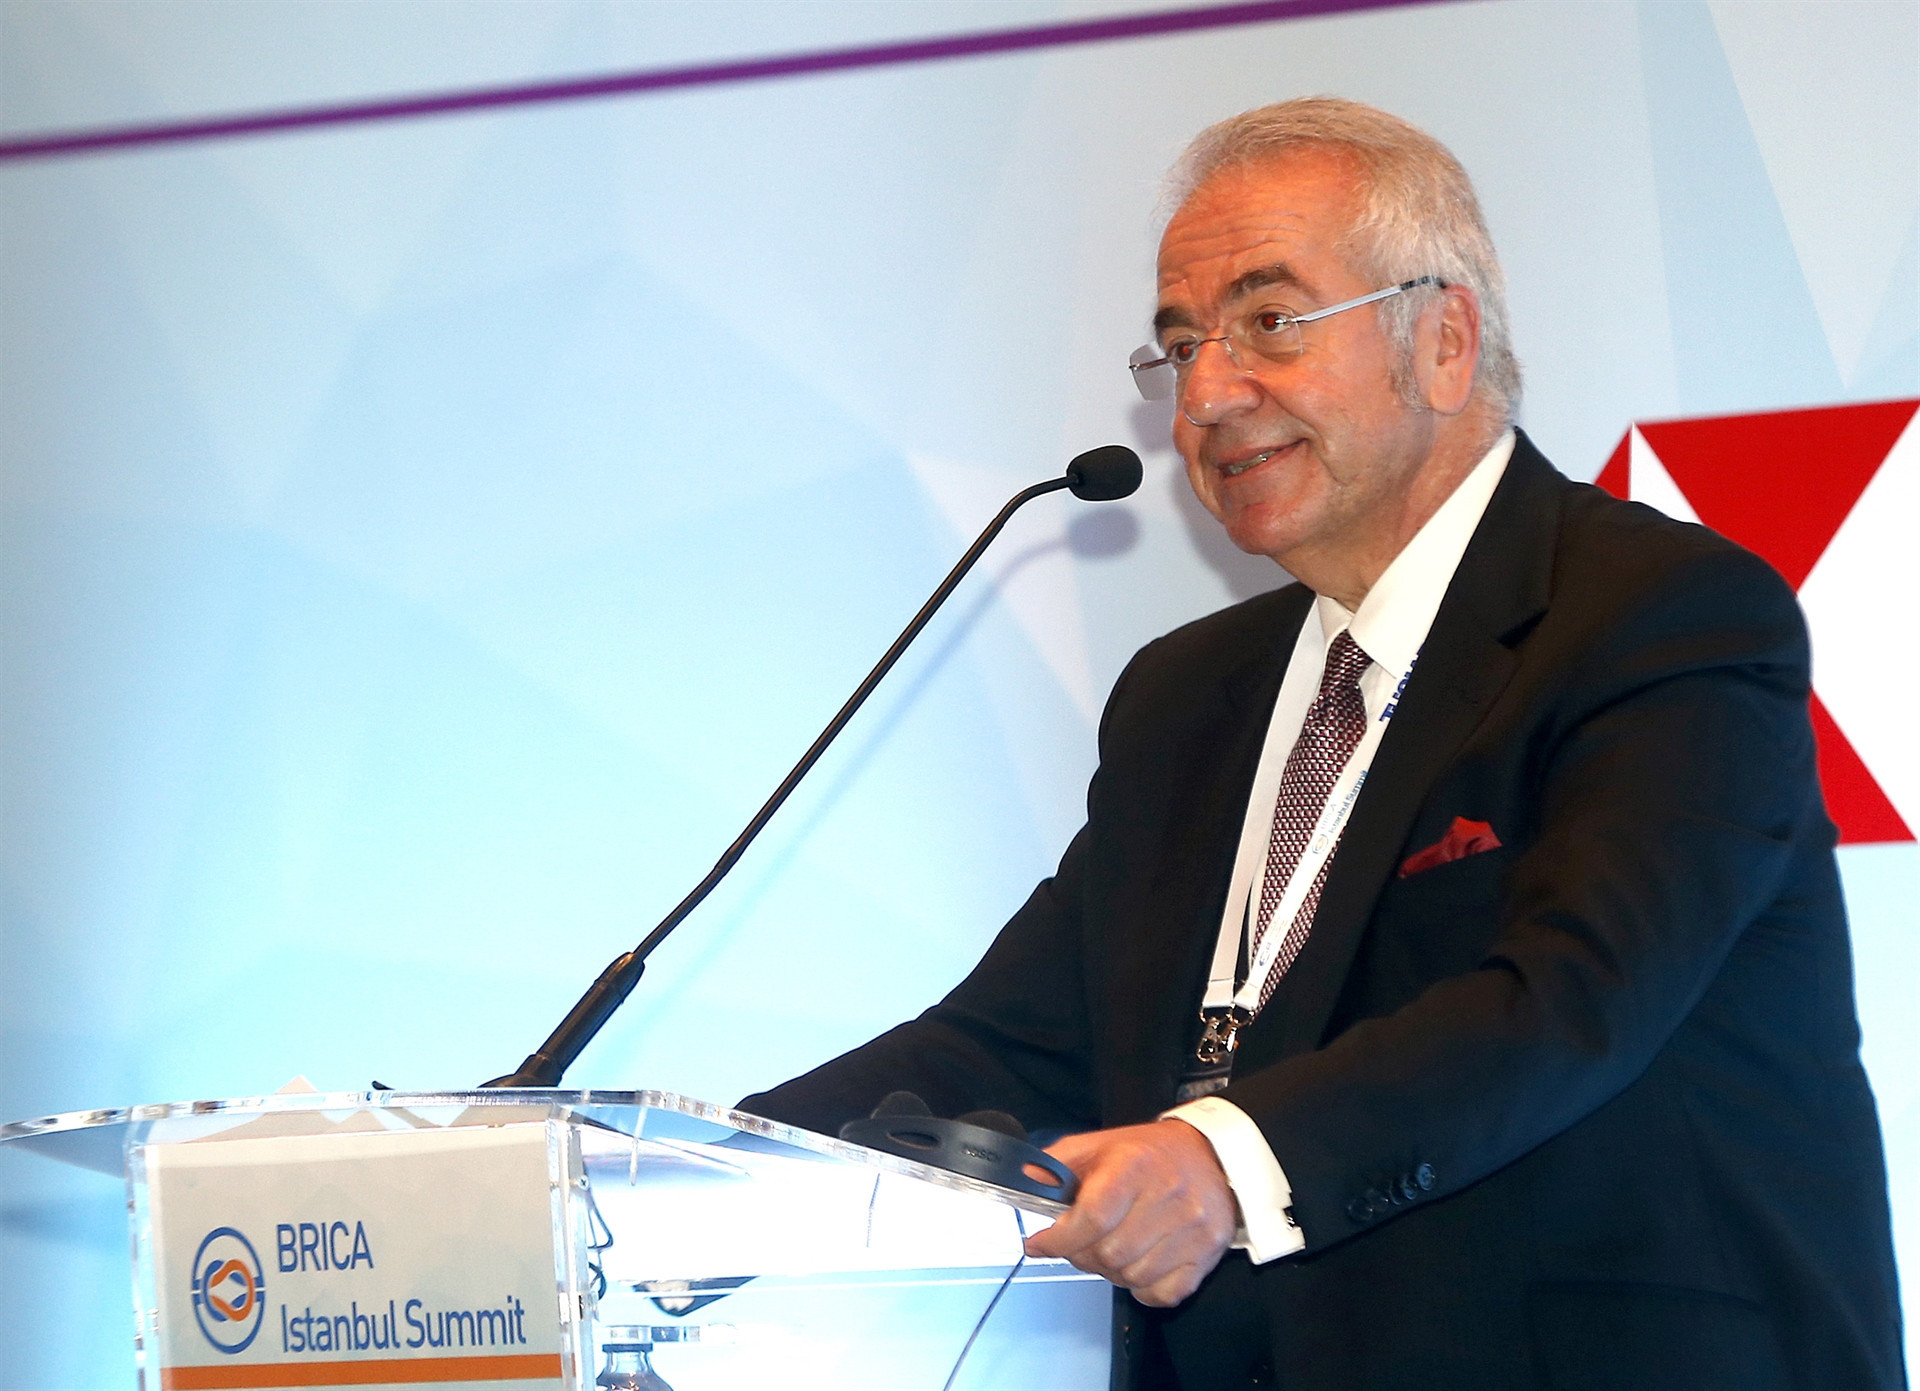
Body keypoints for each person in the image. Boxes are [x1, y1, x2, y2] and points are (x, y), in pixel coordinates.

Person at [738, 98, 1904, 1390]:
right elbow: (1011, 1040)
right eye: (1181, 345)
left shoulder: (1657, 616)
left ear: (1444, 340)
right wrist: (702, 1170)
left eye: (1271, 323)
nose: (1206, 395)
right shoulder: (1187, 697)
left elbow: (1573, 995)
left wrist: (1219, 1163)